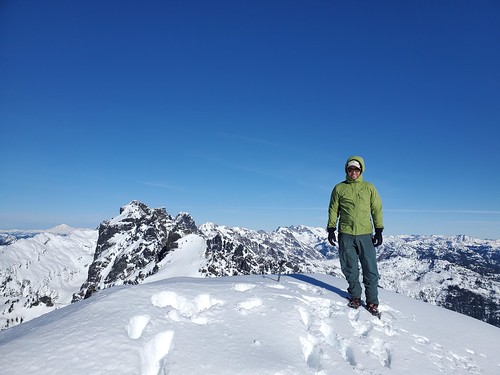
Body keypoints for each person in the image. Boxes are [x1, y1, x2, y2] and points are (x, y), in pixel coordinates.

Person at [327, 155, 384, 316]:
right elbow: (333, 209)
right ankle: (355, 297)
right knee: (349, 268)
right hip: (345, 233)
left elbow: (376, 209)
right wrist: (331, 228)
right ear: (347, 170)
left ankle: (372, 301)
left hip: (365, 234)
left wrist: (379, 229)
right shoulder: (339, 188)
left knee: (370, 268)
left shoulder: (369, 187)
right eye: (351, 169)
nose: (353, 172)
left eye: (356, 169)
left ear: (361, 170)